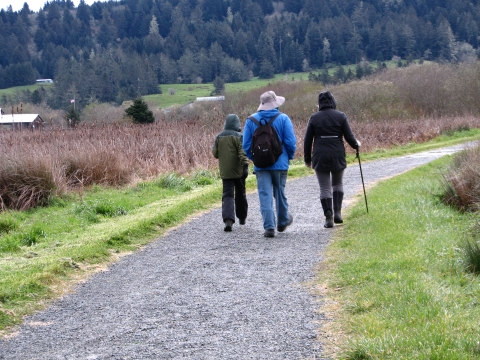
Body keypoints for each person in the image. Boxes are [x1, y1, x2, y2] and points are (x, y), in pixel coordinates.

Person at [242, 91, 297, 237]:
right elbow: (291, 142)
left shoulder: (251, 120)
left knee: (264, 194)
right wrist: (289, 157)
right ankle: (282, 221)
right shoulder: (283, 118)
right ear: (275, 103)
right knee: (280, 192)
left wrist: (255, 159)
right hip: (280, 164)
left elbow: (246, 145)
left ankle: (269, 227)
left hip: (261, 166)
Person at [304, 90, 361, 228]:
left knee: (324, 187)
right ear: (332, 101)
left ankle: (328, 217)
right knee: (337, 184)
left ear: (320, 103)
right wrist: (356, 145)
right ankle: (338, 212)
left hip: (320, 154)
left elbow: (307, 140)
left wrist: (307, 159)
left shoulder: (314, 117)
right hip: (337, 153)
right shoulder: (341, 116)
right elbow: (349, 136)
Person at [212, 114, 249, 232]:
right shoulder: (239, 136)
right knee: (241, 194)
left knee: (227, 195)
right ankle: (242, 217)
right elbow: (242, 152)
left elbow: (215, 154)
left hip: (225, 171)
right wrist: (245, 165)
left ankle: (228, 220)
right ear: (237, 124)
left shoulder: (219, 137)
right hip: (238, 171)